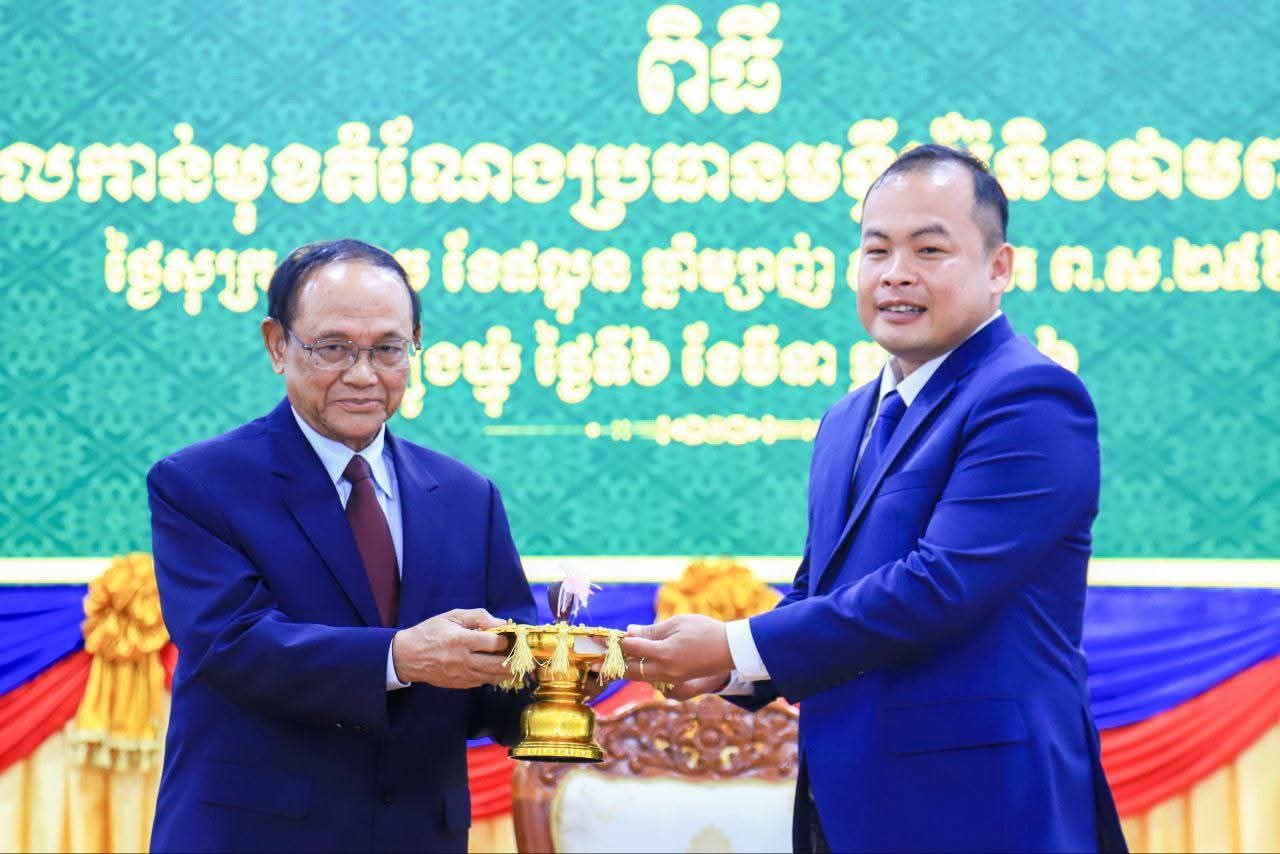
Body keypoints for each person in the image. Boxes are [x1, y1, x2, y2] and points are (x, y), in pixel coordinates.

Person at [622, 145, 1127, 852]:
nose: (896, 273)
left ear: (999, 268)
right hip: (846, 807)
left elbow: (939, 586)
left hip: (982, 809)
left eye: (929, 250)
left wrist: (738, 642)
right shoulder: (847, 419)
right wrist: (727, 667)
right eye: (877, 249)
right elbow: (819, 592)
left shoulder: (1029, 397)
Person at [147, 239, 535, 852]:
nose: (363, 374)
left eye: (388, 349)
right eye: (333, 348)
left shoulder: (467, 496)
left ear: (415, 345)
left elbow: (501, 684)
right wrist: (400, 657)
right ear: (277, 345)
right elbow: (233, 644)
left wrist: (571, 674)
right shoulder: (199, 484)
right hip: (256, 836)